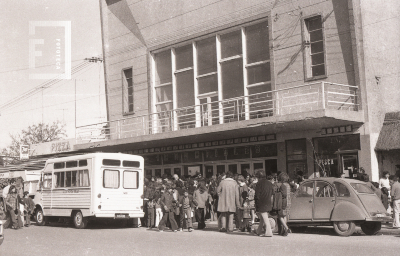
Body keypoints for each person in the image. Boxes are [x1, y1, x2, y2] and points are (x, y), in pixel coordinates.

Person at [254, 170, 274, 237]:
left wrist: (256, 204)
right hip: (268, 202)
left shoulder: (259, 183)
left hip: (261, 203)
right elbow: (272, 193)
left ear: (258, 176)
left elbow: (257, 195)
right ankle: (258, 231)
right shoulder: (270, 183)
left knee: (265, 219)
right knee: (263, 218)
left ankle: (268, 232)